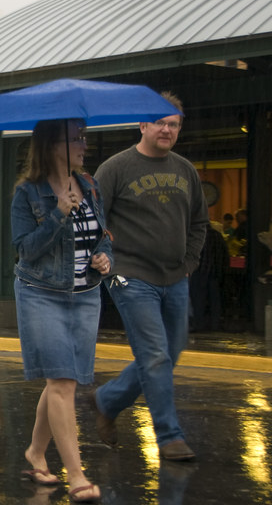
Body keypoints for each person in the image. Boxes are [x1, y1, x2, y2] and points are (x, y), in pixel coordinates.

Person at [90, 93, 208, 462]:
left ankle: (106, 401)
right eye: (160, 122)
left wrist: (188, 261)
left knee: (169, 353)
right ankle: (169, 436)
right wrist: (107, 261)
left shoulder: (185, 169)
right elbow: (94, 220)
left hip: (175, 276)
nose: (167, 129)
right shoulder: (115, 168)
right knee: (154, 355)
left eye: (173, 124)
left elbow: (199, 221)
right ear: (142, 125)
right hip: (129, 276)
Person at [11, 118, 112, 503]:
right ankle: (77, 475)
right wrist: (59, 214)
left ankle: (36, 452)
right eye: (75, 139)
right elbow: (26, 249)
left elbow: (104, 235)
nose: (84, 146)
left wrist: (105, 256)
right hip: (41, 293)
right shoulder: (28, 193)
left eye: (83, 138)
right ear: (53, 145)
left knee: (63, 380)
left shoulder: (90, 185)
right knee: (62, 383)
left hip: (85, 294)